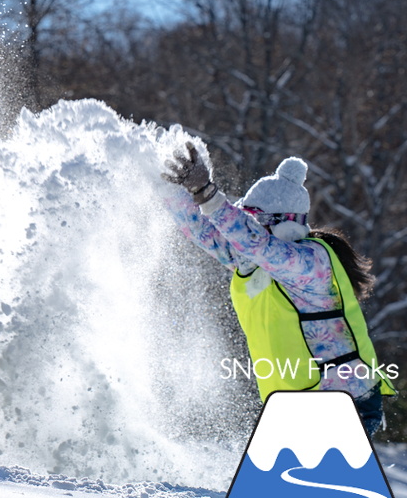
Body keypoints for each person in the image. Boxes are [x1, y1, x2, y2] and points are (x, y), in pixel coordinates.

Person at [162, 144, 395, 436]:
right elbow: (205, 231)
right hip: (300, 400)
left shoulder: (309, 262)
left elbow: (255, 242)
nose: (246, 230)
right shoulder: (253, 262)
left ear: (283, 224)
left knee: (317, 477)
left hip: (345, 399)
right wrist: (172, 189)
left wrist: (207, 193)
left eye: (254, 221)